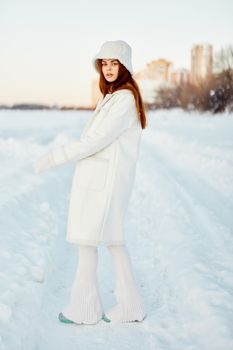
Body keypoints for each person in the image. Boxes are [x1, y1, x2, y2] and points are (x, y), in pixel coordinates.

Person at [34, 39, 147, 325]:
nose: (108, 69)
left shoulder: (122, 99)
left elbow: (95, 141)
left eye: (114, 63)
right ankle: (125, 305)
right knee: (111, 240)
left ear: (125, 66)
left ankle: (86, 308)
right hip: (101, 181)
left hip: (105, 183)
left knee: (93, 241)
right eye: (104, 63)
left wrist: (55, 156)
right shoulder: (113, 96)